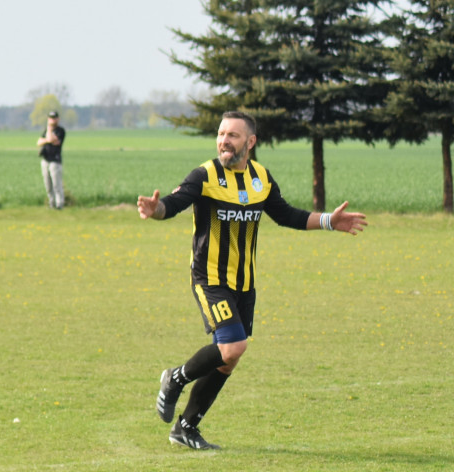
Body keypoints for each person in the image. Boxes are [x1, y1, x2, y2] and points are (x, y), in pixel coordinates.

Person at [137, 111, 367, 450]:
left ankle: (185, 427)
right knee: (233, 346)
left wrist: (329, 221)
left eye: (232, 135)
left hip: (244, 284)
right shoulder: (205, 175)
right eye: (221, 134)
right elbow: (173, 204)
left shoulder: (260, 178)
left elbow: (286, 214)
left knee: (229, 359)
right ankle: (175, 378)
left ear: (250, 141)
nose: (224, 141)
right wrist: (155, 209)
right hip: (210, 278)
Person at [37, 110, 65, 209]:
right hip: (45, 160)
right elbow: (39, 142)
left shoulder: (60, 131)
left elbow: (51, 139)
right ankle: (51, 203)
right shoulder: (46, 131)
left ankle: (59, 204)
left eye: (54, 118)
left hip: (55, 161)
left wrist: (49, 131)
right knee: (48, 185)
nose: (52, 120)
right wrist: (47, 139)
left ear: (58, 119)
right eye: (51, 118)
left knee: (57, 184)